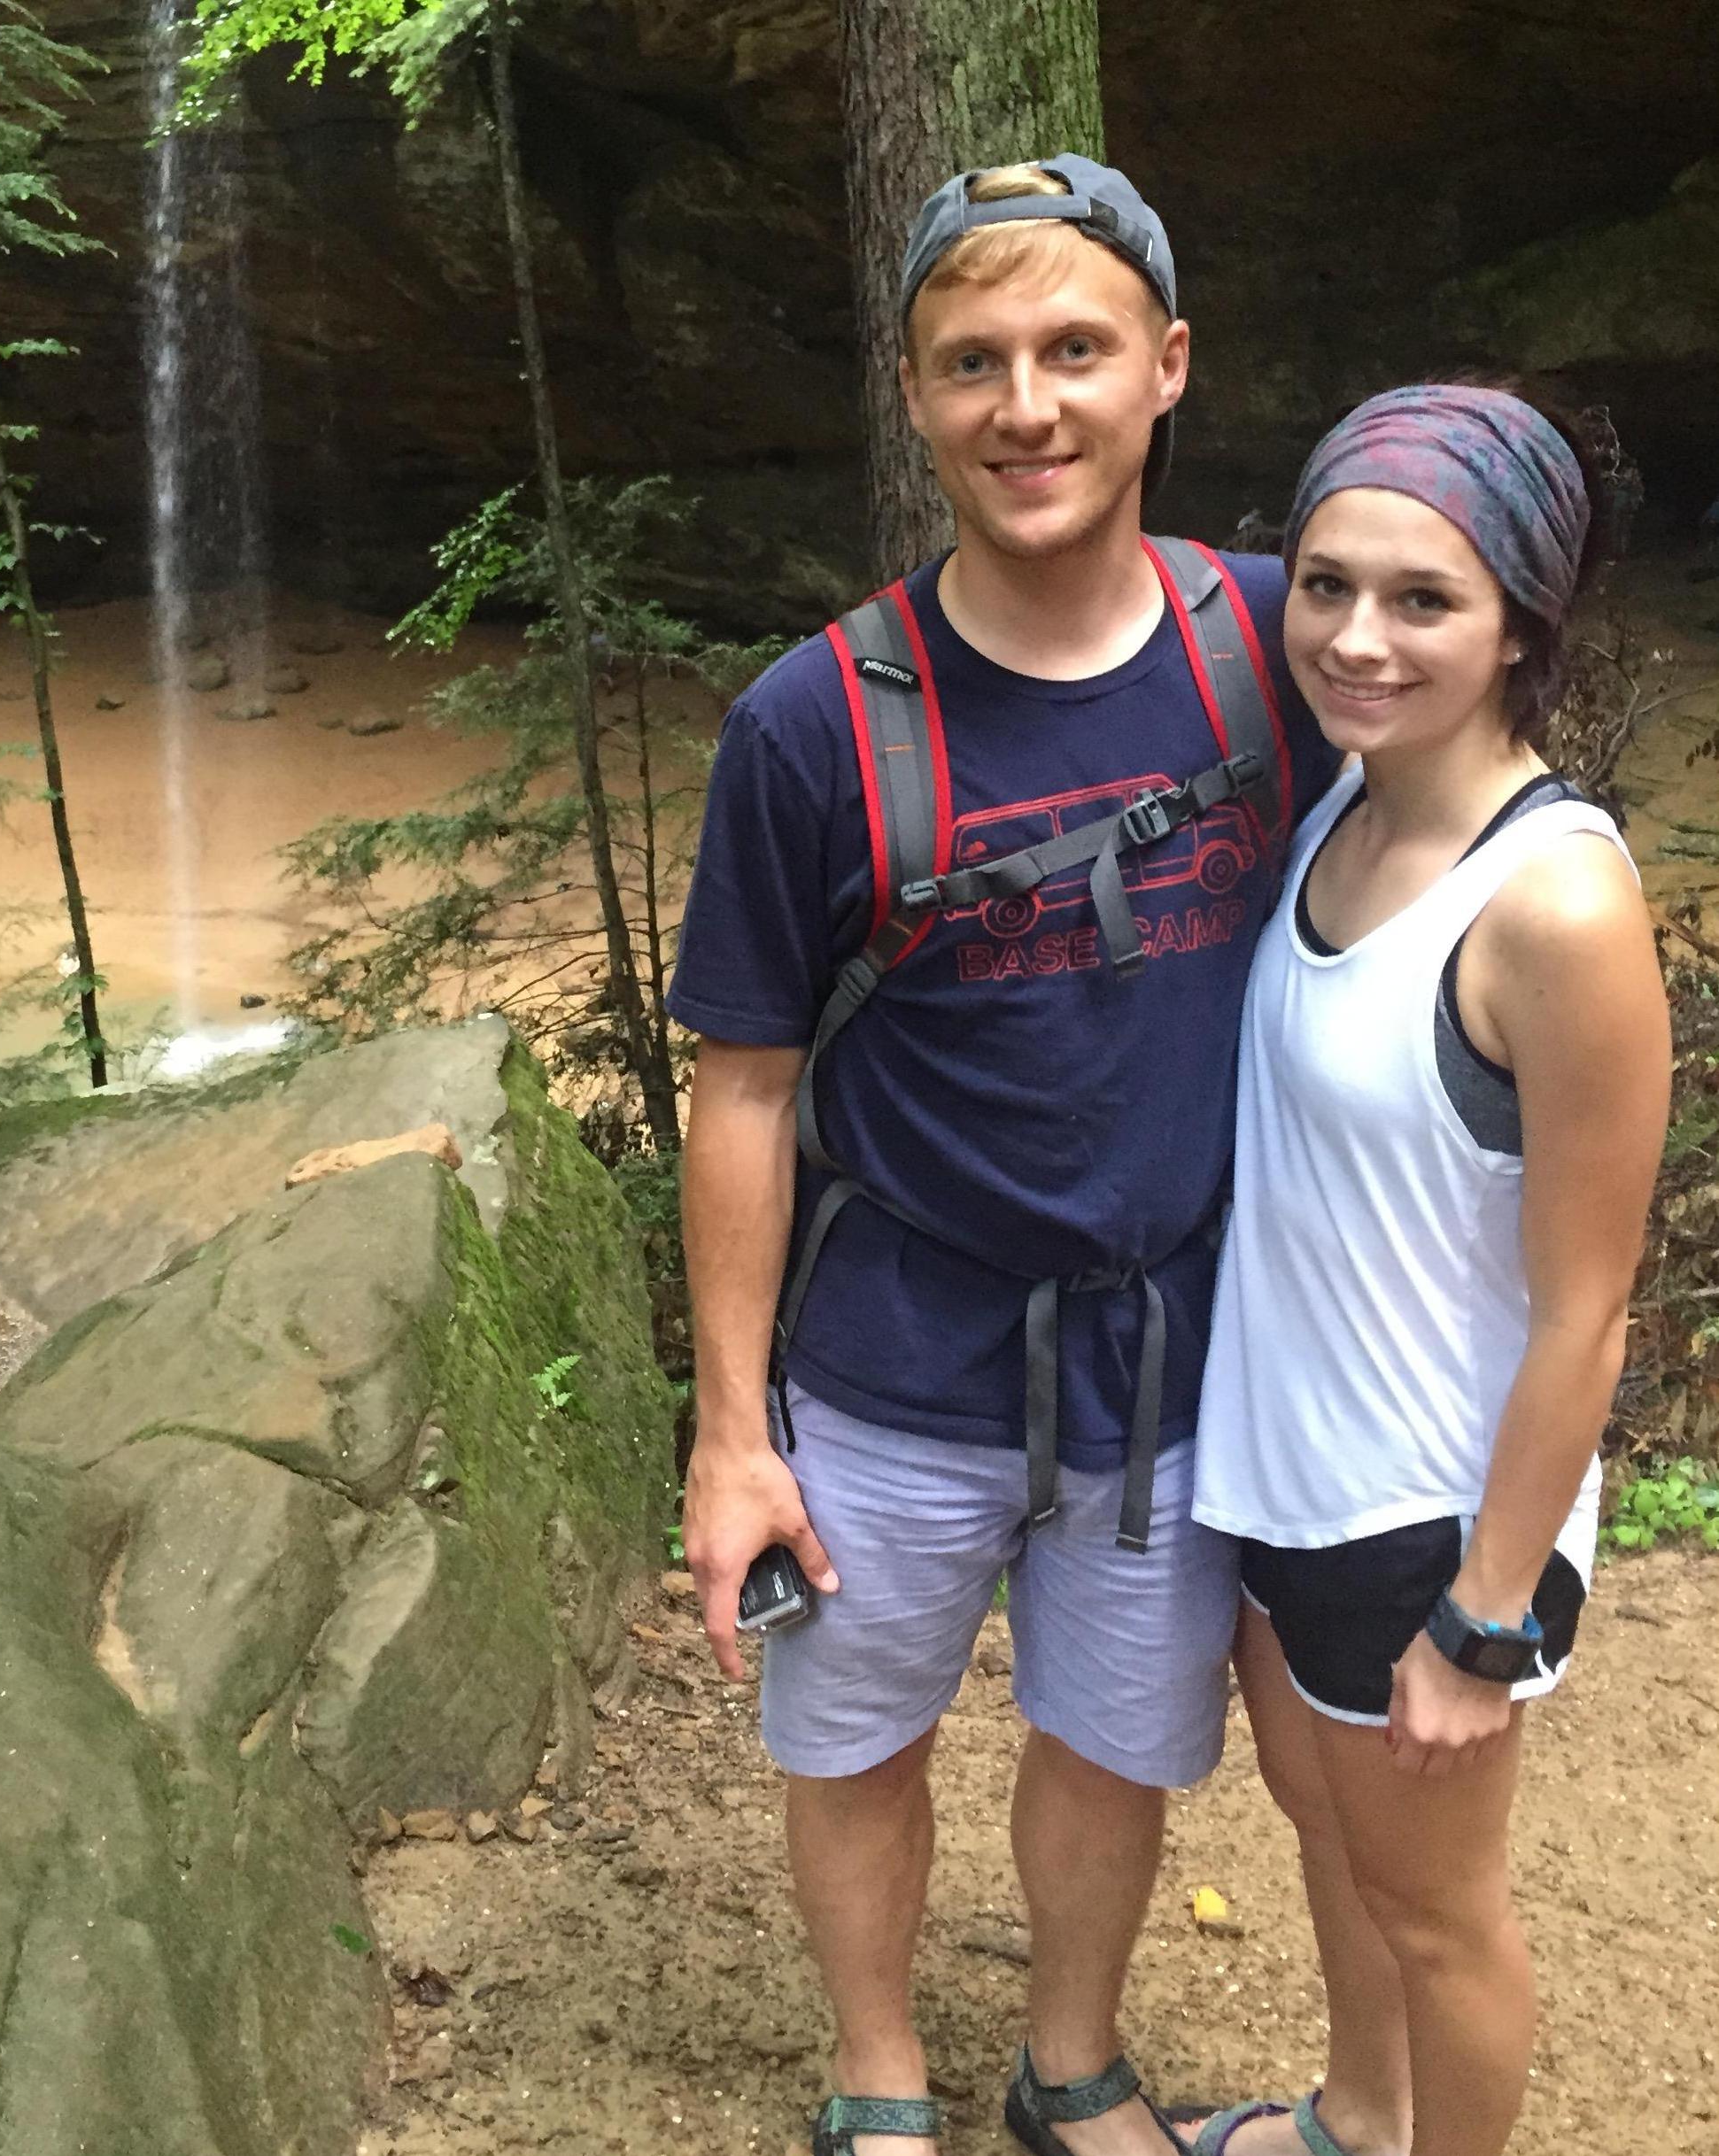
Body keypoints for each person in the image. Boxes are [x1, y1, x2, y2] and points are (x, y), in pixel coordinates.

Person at [669, 158, 1343, 2156]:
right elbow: (744, 1090)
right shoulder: (810, 725)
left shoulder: (1275, 648)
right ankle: (880, 2075)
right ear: (913, 393)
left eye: (1074, 351)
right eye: (973, 363)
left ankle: (1072, 2062)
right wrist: (732, 1431)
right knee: (853, 1733)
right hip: (889, 1359)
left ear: (1168, 368)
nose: (1026, 407)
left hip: (1170, 1363)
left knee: (1114, 1743)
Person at [1185, 384, 1670, 2156]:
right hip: (1288, 1464)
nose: (1357, 638)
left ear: (1521, 626)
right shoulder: (1341, 804)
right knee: (1330, 1831)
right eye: (1326, 586)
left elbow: (1588, 1309)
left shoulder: (1554, 909)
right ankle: (1359, 2118)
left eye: (1423, 601)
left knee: (1441, 1920)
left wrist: (1485, 1616)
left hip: (1425, 1513)